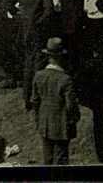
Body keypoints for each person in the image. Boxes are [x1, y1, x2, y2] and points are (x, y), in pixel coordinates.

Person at [28, 37, 80, 165]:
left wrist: (38, 119)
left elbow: (34, 100)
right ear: (61, 57)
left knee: (48, 158)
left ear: (48, 56)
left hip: (44, 123)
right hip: (61, 125)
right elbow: (70, 106)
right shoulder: (65, 79)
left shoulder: (39, 76)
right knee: (61, 159)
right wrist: (74, 118)